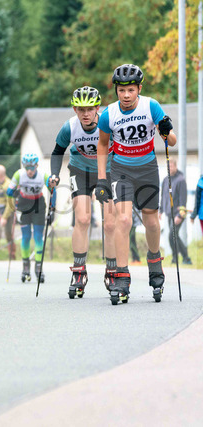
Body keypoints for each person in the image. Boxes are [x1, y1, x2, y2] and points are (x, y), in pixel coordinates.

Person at [95, 63, 177, 304]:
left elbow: (171, 141)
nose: (126, 95)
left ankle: (154, 261)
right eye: (121, 90)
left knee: (151, 220)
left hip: (147, 169)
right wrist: (101, 178)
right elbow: (102, 145)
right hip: (121, 170)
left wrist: (166, 130)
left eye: (131, 90)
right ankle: (121, 276)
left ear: (139, 88)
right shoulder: (109, 114)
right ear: (116, 91)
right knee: (123, 219)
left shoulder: (151, 106)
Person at [48, 86, 117, 298]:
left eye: (89, 109)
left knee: (110, 222)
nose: (85, 114)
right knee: (83, 219)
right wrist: (54, 174)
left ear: (97, 108)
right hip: (80, 172)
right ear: (74, 109)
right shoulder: (69, 127)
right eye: (81, 109)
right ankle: (79, 272)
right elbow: (57, 152)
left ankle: (112, 271)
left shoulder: (108, 122)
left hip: (107, 172)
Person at [2, 153, 54, 283]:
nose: (29, 171)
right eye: (27, 167)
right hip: (24, 204)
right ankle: (26, 268)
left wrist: (52, 209)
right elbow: (9, 192)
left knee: (38, 236)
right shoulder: (19, 174)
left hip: (38, 205)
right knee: (25, 236)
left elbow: (53, 190)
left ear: (37, 166)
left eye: (32, 167)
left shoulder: (43, 175)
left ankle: (38, 268)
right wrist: (14, 196)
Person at [160, 158, 191, 265]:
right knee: (174, 236)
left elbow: (183, 199)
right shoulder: (165, 180)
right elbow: (163, 196)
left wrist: (179, 215)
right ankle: (176, 258)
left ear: (175, 166)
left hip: (178, 214)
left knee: (172, 235)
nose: (169, 168)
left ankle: (186, 258)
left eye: (171, 166)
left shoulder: (181, 180)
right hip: (169, 213)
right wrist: (160, 210)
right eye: (168, 166)